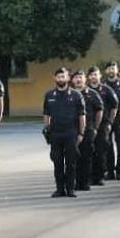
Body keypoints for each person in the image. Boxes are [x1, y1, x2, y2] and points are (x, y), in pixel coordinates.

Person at [42, 67, 86, 197]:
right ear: (55, 78)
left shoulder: (76, 95)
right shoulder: (49, 95)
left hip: (71, 133)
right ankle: (60, 189)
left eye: (63, 76)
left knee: (71, 163)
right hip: (56, 133)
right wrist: (47, 129)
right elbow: (46, 114)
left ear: (68, 78)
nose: (61, 79)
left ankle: (70, 189)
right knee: (58, 162)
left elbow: (82, 116)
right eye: (58, 76)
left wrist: (81, 133)